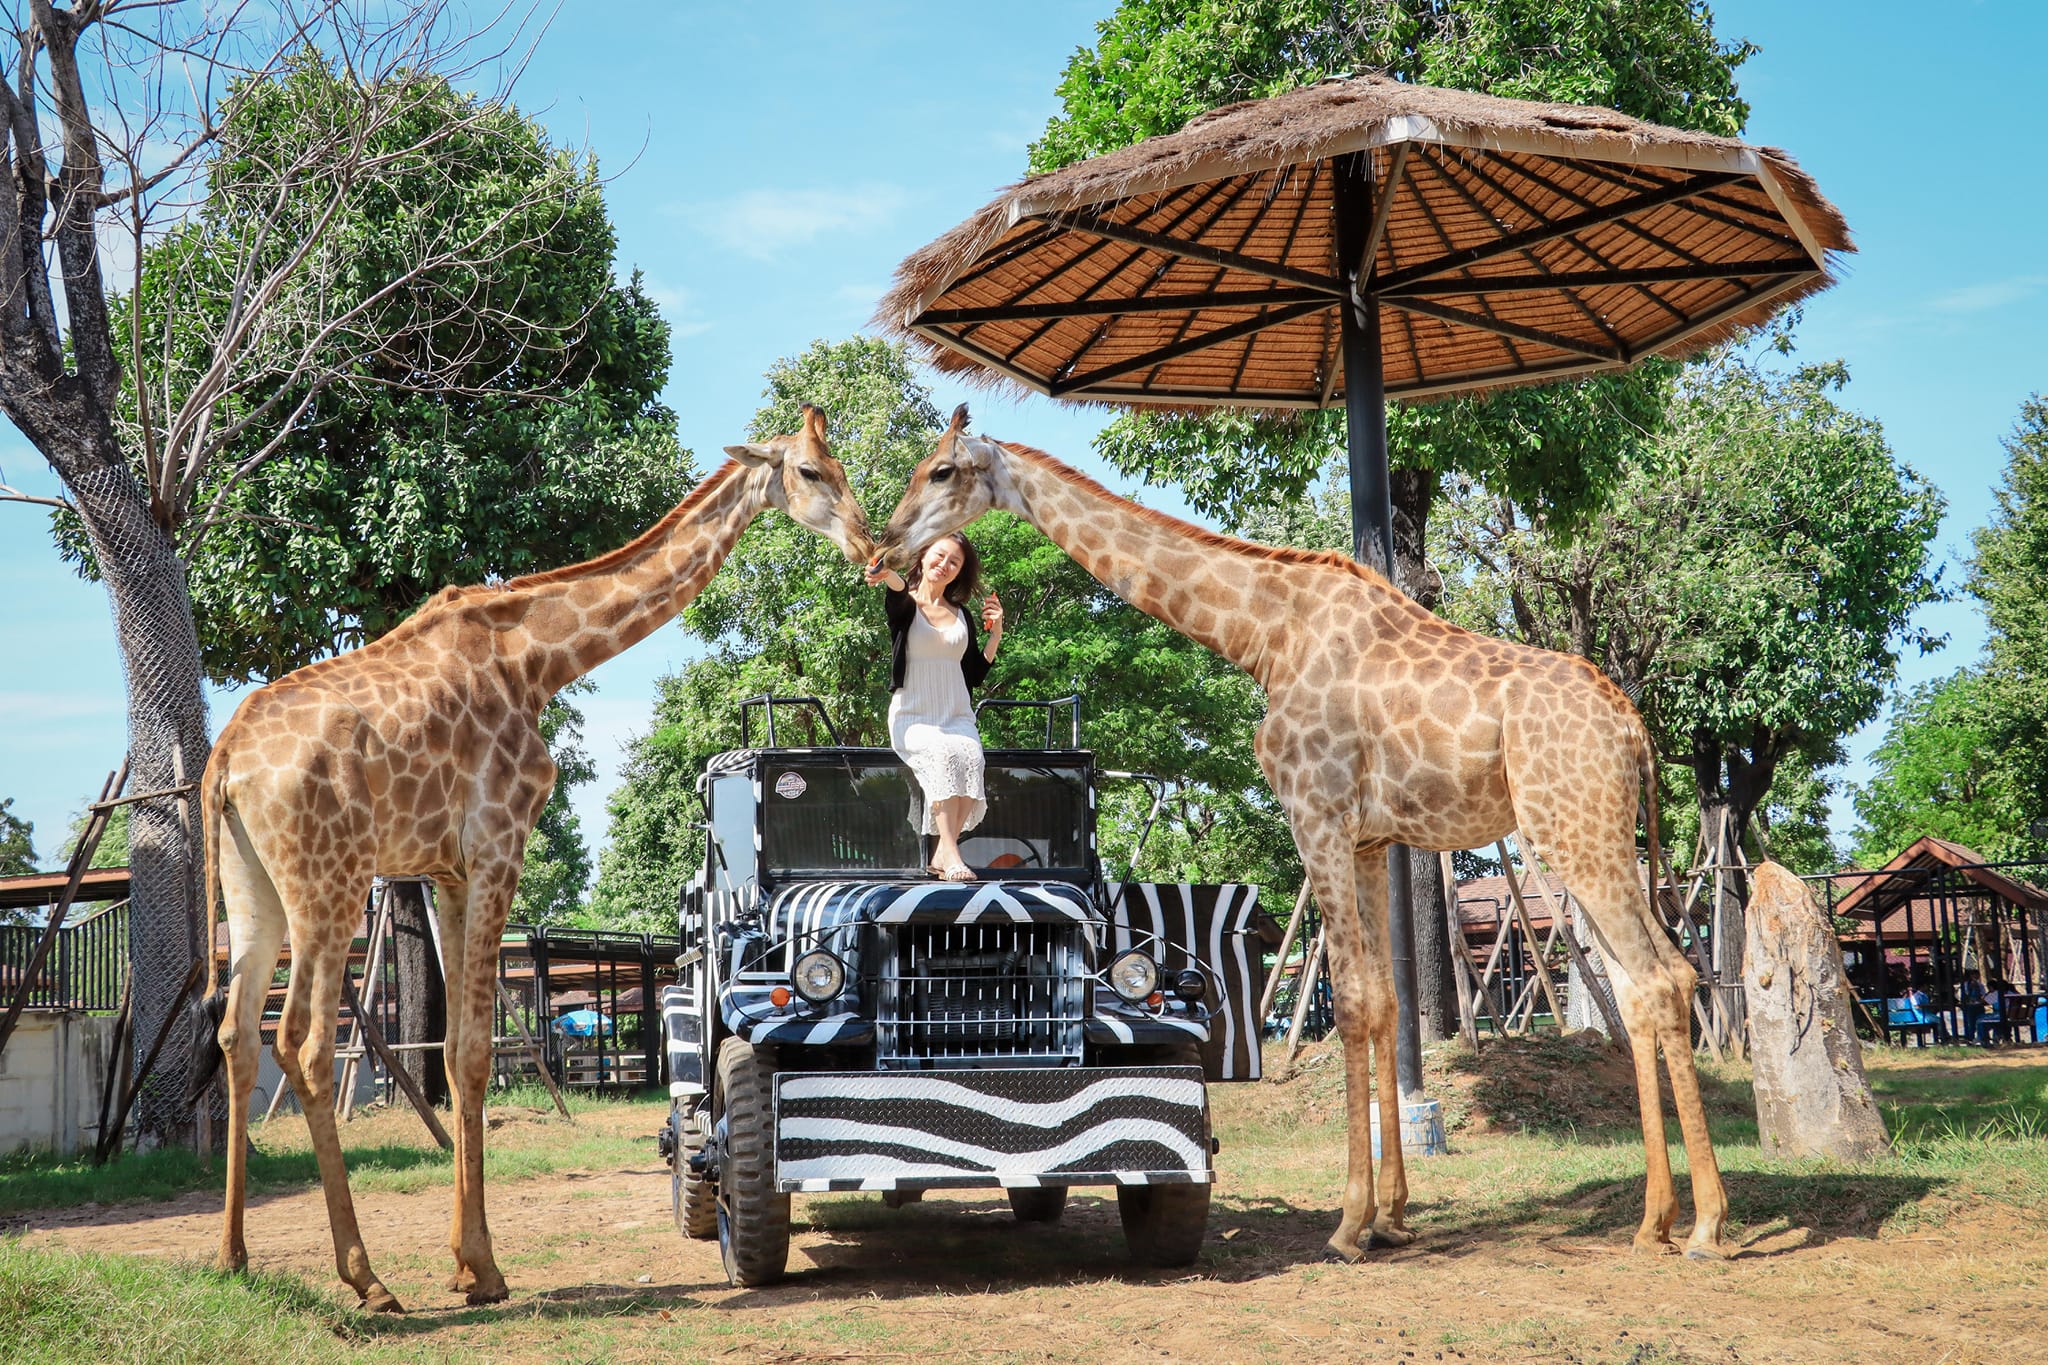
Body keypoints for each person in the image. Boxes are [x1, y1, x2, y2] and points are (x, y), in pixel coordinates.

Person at [864, 533, 1003, 881]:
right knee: (943, 755)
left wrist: (996, 633)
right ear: (924, 557)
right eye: (939, 556)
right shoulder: (906, 605)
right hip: (914, 716)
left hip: (956, 713)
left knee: (971, 757)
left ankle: (943, 850)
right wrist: (887, 573)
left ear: (959, 572)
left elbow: (972, 673)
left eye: (954, 562)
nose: (944, 565)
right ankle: (952, 856)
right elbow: (896, 590)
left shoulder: (961, 615)